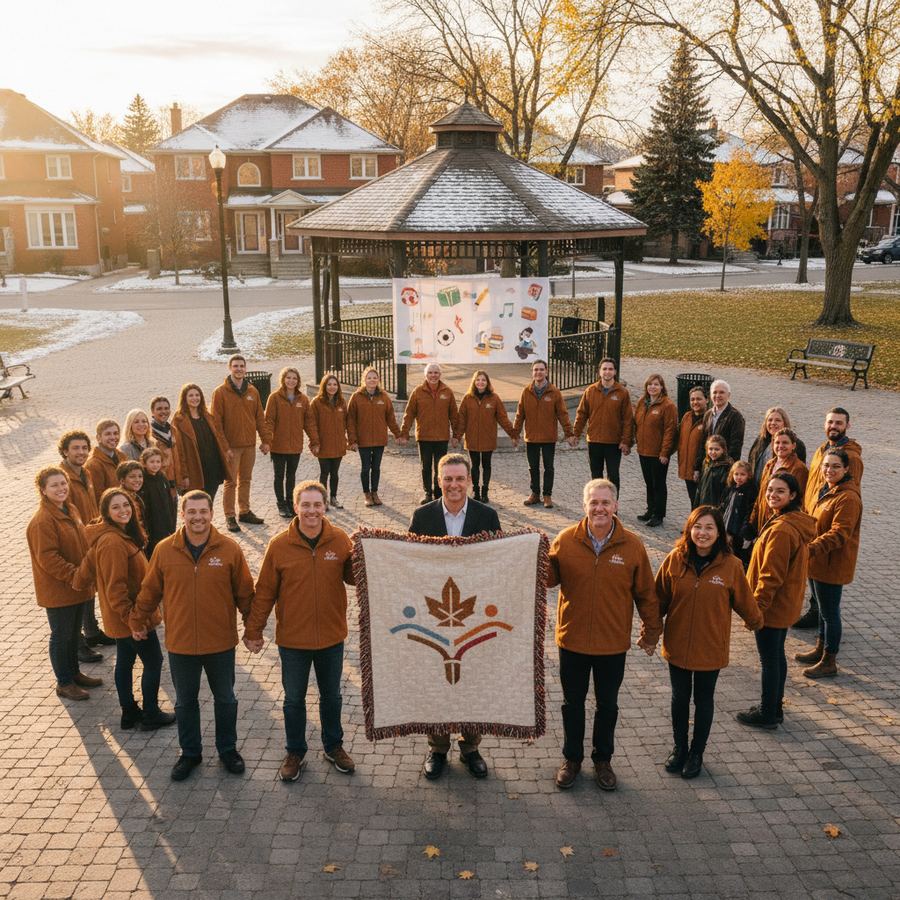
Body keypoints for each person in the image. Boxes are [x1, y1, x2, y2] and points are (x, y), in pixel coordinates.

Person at [130, 490, 255, 782]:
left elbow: (245, 594)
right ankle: (190, 753)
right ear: (182, 514)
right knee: (185, 702)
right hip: (181, 644)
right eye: (192, 512)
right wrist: (137, 620)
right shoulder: (164, 550)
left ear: (211, 514)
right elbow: (149, 591)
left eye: (203, 511)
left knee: (225, 699)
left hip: (220, 642)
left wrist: (252, 630)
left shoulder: (229, 549)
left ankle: (227, 750)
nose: (197, 517)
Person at [548, 478, 661, 791]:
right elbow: (548, 579)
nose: (599, 508)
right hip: (571, 641)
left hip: (612, 644)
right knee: (572, 704)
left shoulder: (633, 546)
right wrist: (534, 554)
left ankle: (603, 760)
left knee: (607, 705)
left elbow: (646, 595)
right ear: (585, 506)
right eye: (593, 503)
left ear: (615, 506)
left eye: (605, 502)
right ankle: (572, 759)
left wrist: (652, 631)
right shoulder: (566, 539)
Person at [243, 481, 356, 782]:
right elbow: (264, 591)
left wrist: (366, 555)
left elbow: (353, 578)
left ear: (325, 506)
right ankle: (295, 751)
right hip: (292, 640)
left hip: (331, 637)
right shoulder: (279, 545)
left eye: (317, 505)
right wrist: (253, 631)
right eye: (305, 505)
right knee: (294, 699)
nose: (311, 511)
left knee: (331, 696)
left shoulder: (340, 540)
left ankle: (334, 746)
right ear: (295, 507)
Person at [408, 453, 501, 780]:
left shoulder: (487, 516)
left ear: (470, 481)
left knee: (472, 682)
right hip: (435, 615)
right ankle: (437, 748)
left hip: (473, 614)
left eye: (460, 479)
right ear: (438, 481)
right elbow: (408, 562)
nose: (453, 485)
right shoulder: (422, 516)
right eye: (447, 479)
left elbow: (499, 563)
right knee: (438, 682)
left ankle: (471, 747)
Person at [655, 506, 762, 778]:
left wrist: (758, 623)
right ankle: (679, 749)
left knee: (703, 700)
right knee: (680, 699)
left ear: (719, 533)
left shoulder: (732, 566)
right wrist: (650, 629)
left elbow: (745, 603)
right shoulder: (675, 560)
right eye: (697, 527)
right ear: (689, 530)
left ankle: (696, 753)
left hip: (710, 646)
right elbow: (658, 600)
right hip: (677, 643)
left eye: (709, 528)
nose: (702, 533)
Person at [74, 489, 175, 731]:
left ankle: (129, 714)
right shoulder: (112, 542)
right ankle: (150, 713)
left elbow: (82, 576)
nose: (123, 510)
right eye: (116, 507)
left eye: (126, 505)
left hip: (121, 618)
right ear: (106, 513)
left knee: (125, 661)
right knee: (153, 661)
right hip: (131, 617)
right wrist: (135, 623)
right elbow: (115, 588)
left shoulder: (110, 535)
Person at [736, 473, 816, 729]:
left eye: (780, 491)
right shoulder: (787, 519)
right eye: (770, 490)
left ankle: (768, 712)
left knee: (769, 660)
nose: (773, 495)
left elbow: (771, 576)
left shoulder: (782, 530)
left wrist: (756, 611)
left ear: (793, 495)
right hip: (783, 606)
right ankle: (775, 706)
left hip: (772, 608)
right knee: (776, 656)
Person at [26, 466, 98, 702]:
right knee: (61, 635)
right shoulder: (43, 521)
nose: (61, 488)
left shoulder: (70, 508)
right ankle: (64, 682)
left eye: (63, 483)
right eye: (54, 485)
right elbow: (48, 558)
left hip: (78, 586)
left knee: (74, 634)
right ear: (43, 490)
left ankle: (74, 673)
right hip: (60, 589)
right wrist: (75, 575)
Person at [796, 450, 862, 679]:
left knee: (830, 613)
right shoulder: (826, 489)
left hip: (831, 564)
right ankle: (820, 648)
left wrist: (809, 548)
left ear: (846, 469)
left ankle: (829, 660)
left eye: (835, 467)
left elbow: (839, 534)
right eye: (826, 466)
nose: (829, 470)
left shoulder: (848, 498)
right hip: (816, 561)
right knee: (823, 611)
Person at [797, 408, 864, 628]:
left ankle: (824, 626)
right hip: (812, 520)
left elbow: (848, 492)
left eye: (838, 423)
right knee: (813, 577)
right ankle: (816, 613)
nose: (833, 426)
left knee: (827, 591)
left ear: (847, 426)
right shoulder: (822, 450)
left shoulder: (851, 458)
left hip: (830, 524)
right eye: (830, 422)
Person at [58, 429, 114, 661]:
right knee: (78, 591)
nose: (81, 452)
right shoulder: (62, 478)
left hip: (89, 537)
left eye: (84, 448)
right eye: (75, 448)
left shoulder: (85, 473)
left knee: (90, 588)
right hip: (74, 542)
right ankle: (78, 643)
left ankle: (91, 632)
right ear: (64, 451)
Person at [211, 354, 272, 533]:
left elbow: (260, 418)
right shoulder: (220, 392)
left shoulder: (252, 391)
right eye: (235, 366)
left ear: (245, 369)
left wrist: (266, 440)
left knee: (246, 479)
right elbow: (216, 423)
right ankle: (230, 515)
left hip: (249, 445)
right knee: (231, 482)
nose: (239, 369)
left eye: (241, 366)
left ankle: (244, 511)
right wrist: (225, 447)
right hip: (231, 447)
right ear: (230, 368)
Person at [513, 359, 576, 509]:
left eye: (541, 369)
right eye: (536, 370)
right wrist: (515, 434)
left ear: (546, 371)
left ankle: (547, 495)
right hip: (532, 437)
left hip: (549, 437)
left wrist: (569, 433)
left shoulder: (554, 392)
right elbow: (519, 414)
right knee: (532, 467)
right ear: (532, 372)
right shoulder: (526, 391)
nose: (538, 372)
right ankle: (535, 494)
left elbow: (563, 414)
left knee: (549, 467)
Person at [453, 370, 517, 504]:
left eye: (483, 380)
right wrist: (457, 436)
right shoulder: (467, 398)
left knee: (486, 464)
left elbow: (503, 418)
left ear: (487, 383)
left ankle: (485, 491)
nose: (480, 382)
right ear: (474, 382)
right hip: (472, 438)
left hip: (488, 438)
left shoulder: (494, 398)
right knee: (474, 465)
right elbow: (462, 420)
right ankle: (476, 490)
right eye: (478, 380)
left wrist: (513, 434)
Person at [399, 363, 459, 505]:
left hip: (441, 437)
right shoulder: (418, 392)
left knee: (440, 467)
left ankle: (439, 494)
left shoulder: (447, 392)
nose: (433, 375)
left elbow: (454, 416)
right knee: (425, 466)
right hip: (424, 437)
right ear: (425, 375)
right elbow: (409, 414)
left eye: (436, 372)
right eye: (430, 373)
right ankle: (427, 493)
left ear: (440, 374)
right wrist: (404, 432)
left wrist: (456, 435)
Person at [572, 359, 633, 493]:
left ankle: (613, 508)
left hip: (613, 442)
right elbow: (582, 414)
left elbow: (628, 419)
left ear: (615, 372)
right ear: (599, 372)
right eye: (604, 369)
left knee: (613, 476)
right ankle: (597, 504)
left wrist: (626, 441)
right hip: (594, 441)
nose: (607, 372)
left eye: (610, 369)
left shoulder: (622, 393)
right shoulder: (590, 391)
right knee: (596, 477)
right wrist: (575, 434)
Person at [265, 366, 319, 518]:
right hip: (278, 446)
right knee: (279, 476)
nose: (291, 381)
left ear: (298, 381)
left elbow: (309, 422)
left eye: (294, 378)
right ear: (283, 379)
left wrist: (314, 441)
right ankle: (281, 504)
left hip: (295, 446)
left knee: (291, 476)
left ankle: (290, 502)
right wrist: (267, 441)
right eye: (288, 377)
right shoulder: (274, 398)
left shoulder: (303, 399)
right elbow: (268, 421)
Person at [347, 367, 400, 507]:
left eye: (375, 377)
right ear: (364, 379)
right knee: (365, 468)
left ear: (379, 380)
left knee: (376, 467)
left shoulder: (384, 397)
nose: (372, 380)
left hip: (379, 439)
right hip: (363, 440)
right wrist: (352, 440)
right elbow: (350, 420)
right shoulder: (356, 397)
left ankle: (375, 493)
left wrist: (398, 434)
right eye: (369, 377)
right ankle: (367, 494)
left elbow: (391, 418)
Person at [172, 383, 231, 503]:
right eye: (191, 395)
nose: (195, 398)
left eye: (197, 395)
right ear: (184, 398)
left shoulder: (208, 416)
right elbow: (179, 450)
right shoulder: (179, 420)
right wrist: (184, 475)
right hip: (194, 468)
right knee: (194, 502)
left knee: (209, 499)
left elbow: (217, 439)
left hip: (212, 466)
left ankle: (207, 520)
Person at [633, 374, 677, 527]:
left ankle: (659, 514)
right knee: (648, 483)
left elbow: (670, 431)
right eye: (650, 384)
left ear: (662, 387)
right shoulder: (642, 402)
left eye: (656, 384)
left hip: (659, 454)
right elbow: (635, 423)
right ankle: (650, 510)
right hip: (643, 451)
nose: (652, 387)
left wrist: (665, 453)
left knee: (658, 484)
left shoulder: (668, 406)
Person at [750, 428, 808, 533]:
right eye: (777, 442)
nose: (780, 446)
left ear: (793, 446)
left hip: (783, 522)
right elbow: (761, 496)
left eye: (785, 443)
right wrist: (752, 521)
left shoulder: (799, 468)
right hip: (764, 520)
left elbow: (799, 501)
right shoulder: (769, 465)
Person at [309, 373, 348, 509]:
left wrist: (350, 440)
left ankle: (334, 498)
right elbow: (311, 424)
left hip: (338, 444)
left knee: (335, 473)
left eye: (335, 384)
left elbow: (347, 422)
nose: (332, 387)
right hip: (323, 444)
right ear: (324, 386)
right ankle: (323, 500)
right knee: (324, 472)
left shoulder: (342, 402)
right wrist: (315, 442)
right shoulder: (316, 402)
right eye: (329, 384)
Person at [694, 379, 745, 476]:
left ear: (728, 395)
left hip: (723, 470)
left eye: (722, 392)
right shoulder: (708, 414)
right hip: (708, 466)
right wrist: (698, 466)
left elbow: (736, 447)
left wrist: (727, 469)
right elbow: (703, 442)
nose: (718, 396)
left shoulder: (736, 417)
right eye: (715, 392)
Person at [746, 407, 807, 484]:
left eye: (778, 420)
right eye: (770, 420)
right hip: (757, 490)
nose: (773, 423)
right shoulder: (760, 440)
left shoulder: (797, 444)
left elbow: (798, 475)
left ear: (784, 423)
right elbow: (751, 463)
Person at [139, 448, 177, 556]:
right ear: (144, 463)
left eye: (158, 462)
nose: (155, 465)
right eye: (152, 462)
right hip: (152, 523)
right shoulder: (143, 481)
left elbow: (169, 502)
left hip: (165, 520)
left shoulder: (162, 477)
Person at [720, 461, 757, 569]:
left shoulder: (750, 491)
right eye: (736, 474)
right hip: (726, 525)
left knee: (737, 556)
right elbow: (724, 505)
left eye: (742, 474)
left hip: (738, 530)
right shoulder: (731, 488)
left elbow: (749, 511)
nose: (739, 477)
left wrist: (746, 531)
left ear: (749, 475)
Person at [677, 386, 708, 506]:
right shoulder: (686, 417)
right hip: (687, 466)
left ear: (707, 400)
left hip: (701, 469)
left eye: (699, 399)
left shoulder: (708, 419)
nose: (695, 402)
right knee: (693, 499)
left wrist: (698, 468)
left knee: (700, 501)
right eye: (692, 399)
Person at [84, 419, 127, 505]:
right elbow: (98, 498)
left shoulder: (122, 456)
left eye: (115, 433)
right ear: (98, 438)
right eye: (108, 434)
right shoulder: (93, 464)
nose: (113, 437)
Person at [149, 396, 179, 499]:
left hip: (173, 483)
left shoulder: (173, 430)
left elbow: (179, 455)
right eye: (159, 409)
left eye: (166, 408)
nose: (163, 411)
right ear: (152, 412)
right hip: (159, 483)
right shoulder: (150, 433)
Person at [116, 460, 148, 543]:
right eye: (132, 477)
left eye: (140, 476)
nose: (137, 480)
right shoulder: (119, 499)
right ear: (122, 480)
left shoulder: (135, 496)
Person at [695, 435, 731, 507]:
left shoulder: (726, 467)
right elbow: (701, 485)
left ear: (723, 450)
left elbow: (726, 491)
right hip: (703, 502)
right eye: (710, 449)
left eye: (717, 449)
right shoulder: (706, 462)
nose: (713, 452)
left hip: (716, 505)